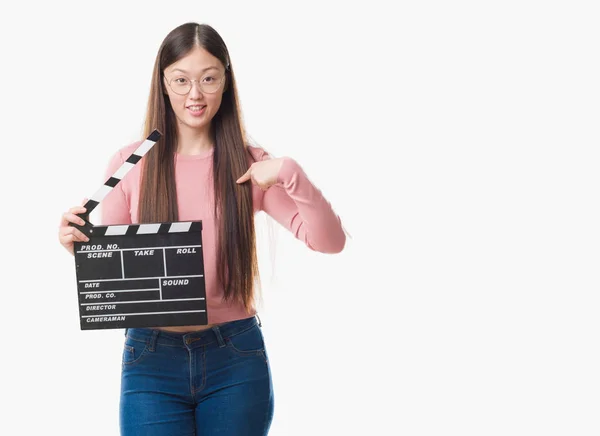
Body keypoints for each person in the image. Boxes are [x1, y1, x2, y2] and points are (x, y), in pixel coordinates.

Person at [58, 22, 346, 436]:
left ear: (226, 81)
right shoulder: (130, 164)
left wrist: (288, 171)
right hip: (150, 358)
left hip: (235, 356)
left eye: (209, 78)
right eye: (181, 80)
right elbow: (123, 282)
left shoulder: (251, 165)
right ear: (164, 84)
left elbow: (329, 241)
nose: (195, 94)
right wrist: (83, 249)